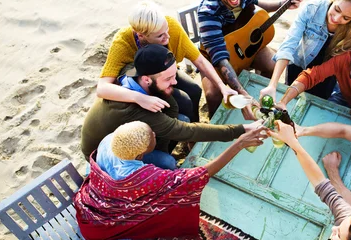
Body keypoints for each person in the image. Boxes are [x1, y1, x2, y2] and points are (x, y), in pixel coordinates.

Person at [74, 120, 267, 240]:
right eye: (152, 136)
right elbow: (198, 176)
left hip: (91, 212)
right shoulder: (139, 178)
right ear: (140, 155)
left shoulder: (109, 141)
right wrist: (239, 144)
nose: (154, 134)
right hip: (105, 239)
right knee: (155, 238)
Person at [81, 44, 262, 167]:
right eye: (168, 79)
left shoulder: (133, 72)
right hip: (100, 155)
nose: (175, 82)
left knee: (180, 118)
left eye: (174, 74)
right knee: (167, 161)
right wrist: (242, 129)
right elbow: (187, 131)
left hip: (122, 132)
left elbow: (177, 118)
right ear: (146, 79)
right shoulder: (136, 110)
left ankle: (159, 150)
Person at [198, 0, 303, 119]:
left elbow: (256, 7)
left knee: (272, 65)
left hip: (246, 47)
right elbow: (219, 57)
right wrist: (243, 95)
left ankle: (263, 103)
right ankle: (215, 122)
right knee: (213, 95)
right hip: (215, 59)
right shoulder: (208, 12)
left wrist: (283, 3)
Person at [97, 0, 236, 123]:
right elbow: (102, 88)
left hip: (166, 73)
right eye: (160, 36)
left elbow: (199, 59)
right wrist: (139, 98)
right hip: (143, 83)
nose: (168, 37)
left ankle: (192, 132)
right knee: (184, 102)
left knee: (194, 90)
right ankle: (183, 131)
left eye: (167, 30)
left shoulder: (170, 25)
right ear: (141, 35)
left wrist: (221, 86)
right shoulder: (122, 42)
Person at [260, 0, 351, 102]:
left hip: (328, 74)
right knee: (291, 98)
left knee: (316, 102)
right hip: (300, 65)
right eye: (337, 9)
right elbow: (289, 44)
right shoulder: (313, 8)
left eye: (346, 18)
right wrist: (272, 85)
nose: (336, 18)